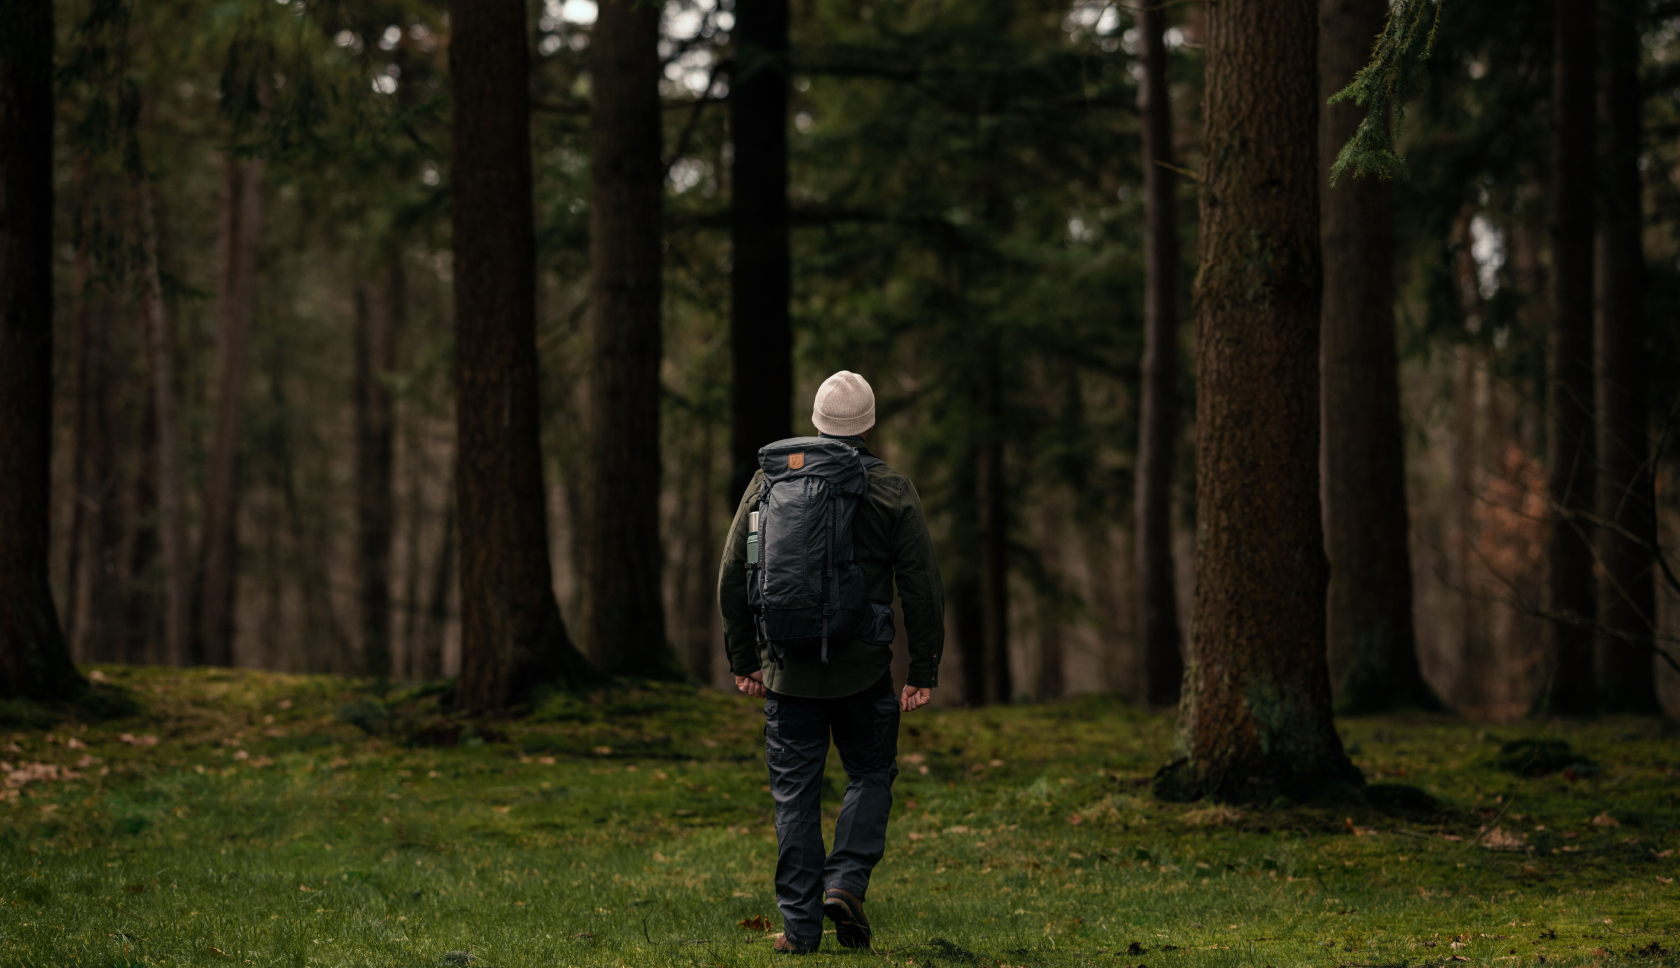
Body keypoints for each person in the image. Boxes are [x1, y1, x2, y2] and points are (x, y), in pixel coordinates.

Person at [719, 370, 945, 955]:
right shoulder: (892, 490)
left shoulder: (770, 481)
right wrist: (922, 670)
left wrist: (745, 657)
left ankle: (799, 931)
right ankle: (845, 882)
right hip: (864, 670)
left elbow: (731, 575)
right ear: (869, 423)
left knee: (795, 795)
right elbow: (921, 586)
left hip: (788, 671)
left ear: (817, 421)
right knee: (870, 774)